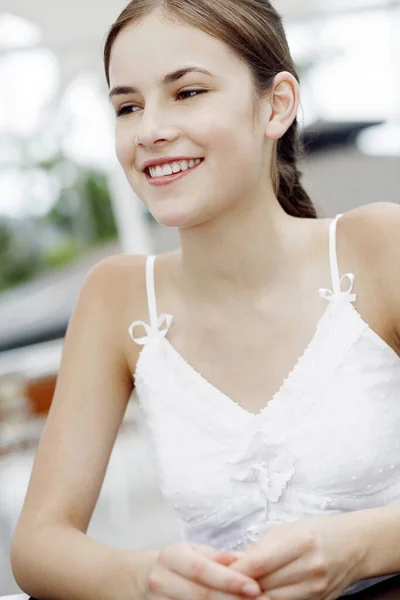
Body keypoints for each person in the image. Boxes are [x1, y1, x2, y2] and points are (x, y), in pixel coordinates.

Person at [10, 1, 400, 599]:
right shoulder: (117, 298)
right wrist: (143, 576)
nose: (149, 130)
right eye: (128, 106)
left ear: (276, 105)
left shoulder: (375, 247)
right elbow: (38, 545)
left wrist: (362, 545)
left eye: (187, 92)